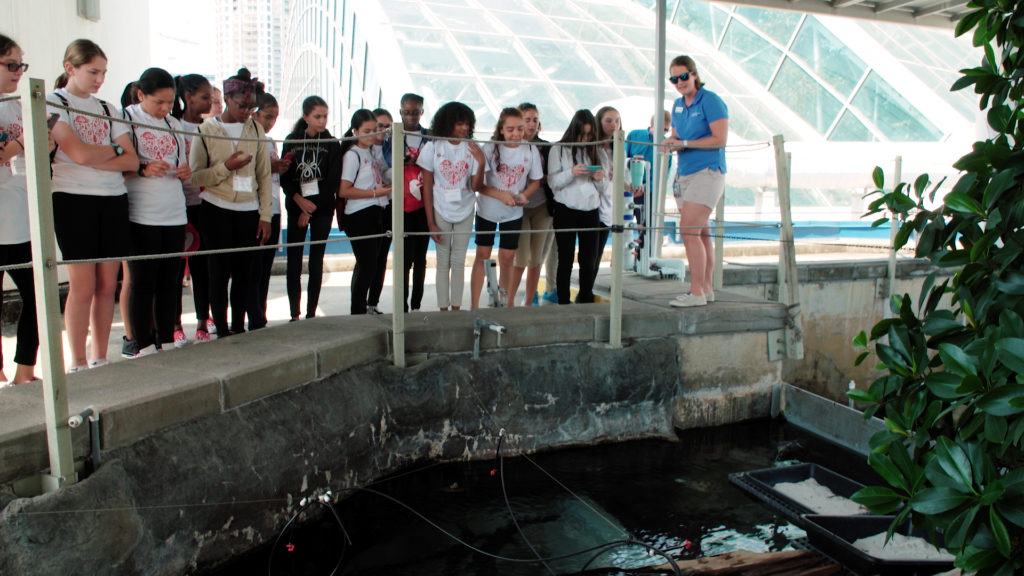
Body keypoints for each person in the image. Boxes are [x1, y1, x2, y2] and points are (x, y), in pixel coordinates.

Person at [48, 39, 139, 371]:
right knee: (82, 285)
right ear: (70, 68)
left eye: (103, 72)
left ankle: (101, 355)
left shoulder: (108, 109)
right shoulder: (53, 101)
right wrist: (109, 153)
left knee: (107, 284)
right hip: (72, 198)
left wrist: (103, 155)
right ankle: (78, 360)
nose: (99, 79)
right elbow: (78, 153)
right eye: (92, 71)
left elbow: (131, 158)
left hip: (113, 198)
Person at [189, 68, 272, 336]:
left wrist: (265, 216)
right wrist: (226, 166)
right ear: (227, 98)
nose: (247, 111)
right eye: (241, 105)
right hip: (216, 209)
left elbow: (264, 175)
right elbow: (196, 176)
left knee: (244, 274)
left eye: (251, 107)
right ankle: (221, 329)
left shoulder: (256, 129)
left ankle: (239, 327)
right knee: (218, 273)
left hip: (248, 211)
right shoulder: (205, 130)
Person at [122, 68, 191, 357]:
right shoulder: (125, 117)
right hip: (142, 212)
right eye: (158, 102)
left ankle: (167, 335)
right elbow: (119, 161)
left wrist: (186, 172)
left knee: (170, 280)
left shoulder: (174, 123)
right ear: (141, 95)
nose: (165, 108)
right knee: (143, 280)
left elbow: (184, 166)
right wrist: (142, 167)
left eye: (170, 102)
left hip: (173, 211)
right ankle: (144, 342)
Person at [0, 33, 48, 385]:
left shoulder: (20, 104)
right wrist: (27, 138)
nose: (19, 71)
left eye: (21, 64)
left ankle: (25, 372)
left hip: (22, 218)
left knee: (38, 298)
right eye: (11, 64)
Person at [663, 55, 728, 308]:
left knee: (688, 230)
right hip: (684, 173)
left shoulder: (711, 101)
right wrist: (672, 142)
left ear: (694, 75)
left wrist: (685, 144)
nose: (679, 82)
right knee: (700, 232)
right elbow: (677, 135)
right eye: (674, 79)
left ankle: (696, 291)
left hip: (708, 172)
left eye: (683, 76)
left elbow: (719, 139)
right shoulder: (678, 105)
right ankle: (706, 288)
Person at [470, 107, 541, 309]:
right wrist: (501, 195)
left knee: (508, 256)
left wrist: (523, 195)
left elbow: (536, 181)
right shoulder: (490, 148)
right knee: (483, 254)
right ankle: (474, 305)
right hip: (487, 211)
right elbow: (478, 186)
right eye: (510, 129)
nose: (516, 134)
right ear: (501, 129)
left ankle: (503, 304)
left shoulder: (530, 149)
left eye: (520, 129)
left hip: (513, 212)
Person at [418, 101, 486, 311]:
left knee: (458, 260)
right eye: (459, 124)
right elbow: (427, 186)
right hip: (440, 209)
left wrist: (481, 162)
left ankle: (456, 308)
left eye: (467, 124)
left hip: (465, 209)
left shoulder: (474, 148)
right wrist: (431, 222)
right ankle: (442, 309)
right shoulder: (433, 146)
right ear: (447, 124)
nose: (464, 128)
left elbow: (476, 186)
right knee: (442, 261)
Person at [281, 95, 338, 320]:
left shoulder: (332, 143)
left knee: (317, 259)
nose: (322, 121)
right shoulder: (292, 139)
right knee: (294, 259)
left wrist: (310, 209)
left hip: (321, 207)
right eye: (317, 116)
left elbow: (332, 181)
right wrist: (299, 202)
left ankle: (311, 313)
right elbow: (285, 176)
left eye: (325, 116)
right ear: (306, 117)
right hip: (296, 205)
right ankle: (294, 313)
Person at [171, 74, 214, 342]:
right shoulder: (172, 125)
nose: (210, 102)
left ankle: (202, 319)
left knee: (203, 266)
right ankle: (175, 324)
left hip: (203, 205)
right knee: (176, 268)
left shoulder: (210, 128)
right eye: (205, 97)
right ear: (188, 97)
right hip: (177, 205)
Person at [547, 110, 604, 305]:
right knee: (566, 257)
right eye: (582, 134)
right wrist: (572, 172)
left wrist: (598, 178)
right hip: (566, 209)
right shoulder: (559, 149)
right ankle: (563, 300)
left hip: (591, 209)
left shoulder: (595, 150)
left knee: (589, 259)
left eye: (589, 135)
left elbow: (603, 189)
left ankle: (585, 296)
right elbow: (553, 182)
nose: (585, 138)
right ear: (573, 130)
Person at [339, 109, 391, 315]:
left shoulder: (368, 152)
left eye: (374, 129)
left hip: (374, 212)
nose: (371, 134)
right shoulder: (352, 155)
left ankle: (361, 309)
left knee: (370, 265)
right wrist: (376, 192)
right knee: (367, 266)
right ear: (355, 131)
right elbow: (345, 190)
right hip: (360, 215)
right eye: (366, 130)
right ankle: (358, 311)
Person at [509, 103, 553, 308]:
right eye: (527, 119)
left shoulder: (545, 147)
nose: (531, 124)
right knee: (521, 257)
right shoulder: (509, 145)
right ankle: (509, 302)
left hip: (541, 205)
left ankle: (528, 302)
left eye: (535, 119)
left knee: (536, 257)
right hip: (518, 208)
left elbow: (551, 177)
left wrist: (540, 178)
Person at [252, 92, 290, 328]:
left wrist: (279, 168)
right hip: (257, 211)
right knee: (254, 268)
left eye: (274, 117)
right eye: (267, 116)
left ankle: (261, 312)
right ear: (255, 114)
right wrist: (270, 166)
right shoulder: (251, 140)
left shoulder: (269, 141)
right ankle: (253, 315)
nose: (271, 122)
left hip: (274, 209)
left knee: (265, 268)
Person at [396, 93, 430, 312]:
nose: (411, 116)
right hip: (402, 206)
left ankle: (416, 304)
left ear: (422, 112)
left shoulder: (430, 136)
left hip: (424, 204)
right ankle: (402, 305)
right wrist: (403, 160)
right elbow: (385, 164)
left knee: (421, 259)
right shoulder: (394, 135)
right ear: (400, 112)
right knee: (404, 260)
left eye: (415, 112)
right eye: (407, 112)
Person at [625, 111, 670, 252]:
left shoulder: (665, 146)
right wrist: (628, 184)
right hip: (626, 189)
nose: (662, 133)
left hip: (647, 192)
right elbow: (621, 160)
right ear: (652, 125)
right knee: (621, 226)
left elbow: (662, 175)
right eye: (660, 129)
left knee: (646, 228)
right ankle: (619, 259)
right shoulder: (634, 135)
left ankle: (642, 258)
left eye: (666, 130)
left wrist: (645, 187)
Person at [367, 107, 394, 314]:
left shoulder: (392, 147)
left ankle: (373, 302)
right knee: (368, 258)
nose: (383, 130)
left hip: (388, 205)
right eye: (379, 126)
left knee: (383, 255)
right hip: (369, 206)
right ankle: (360, 304)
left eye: (387, 126)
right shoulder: (362, 148)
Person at [593, 106, 620, 283]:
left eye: (616, 120)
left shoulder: (617, 148)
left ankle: (588, 288)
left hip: (609, 205)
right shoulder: (592, 147)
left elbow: (617, 175)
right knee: (590, 252)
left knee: (599, 251)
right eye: (608, 121)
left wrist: (631, 186)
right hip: (593, 203)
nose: (613, 125)